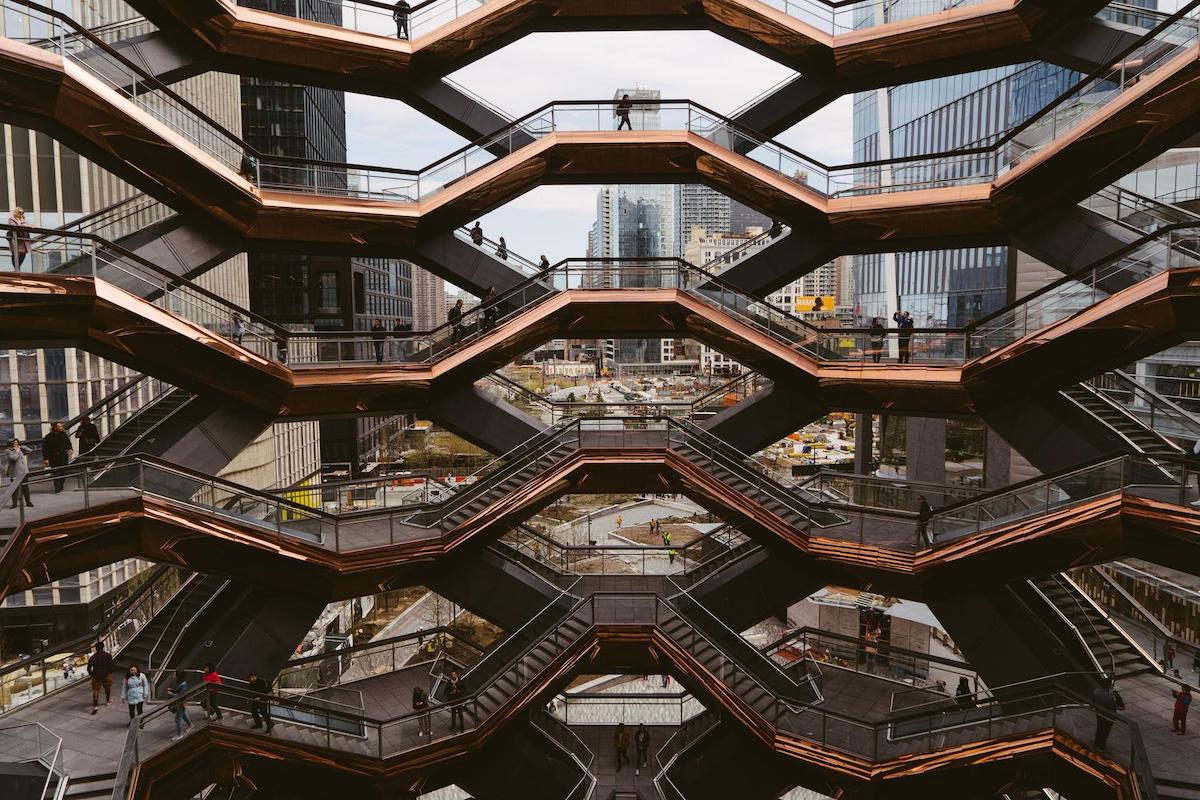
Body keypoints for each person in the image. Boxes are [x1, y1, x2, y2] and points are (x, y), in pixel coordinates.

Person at [43, 421, 73, 493]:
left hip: (63, 457)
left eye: (61, 426)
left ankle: (61, 485)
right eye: (59, 426)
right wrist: (46, 459)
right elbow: (45, 448)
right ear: (55, 428)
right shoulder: (48, 437)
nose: (61, 428)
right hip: (54, 457)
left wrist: (70, 448)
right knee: (56, 473)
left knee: (63, 472)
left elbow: (68, 443)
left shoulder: (64, 435)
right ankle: (57, 488)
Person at [4, 438, 32, 509]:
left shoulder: (20, 449)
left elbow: (30, 451)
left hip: (23, 471)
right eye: (14, 443)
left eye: (17, 442)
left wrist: (23, 447)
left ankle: (28, 502)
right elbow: (14, 458)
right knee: (14, 489)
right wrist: (17, 450)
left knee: (25, 487)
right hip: (15, 473)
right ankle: (14, 504)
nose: (16, 444)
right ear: (11, 443)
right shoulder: (8, 451)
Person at [1091, 682, 1120, 750]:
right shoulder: (1110, 697)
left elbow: (1093, 702)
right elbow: (1114, 707)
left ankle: (1097, 742)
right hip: (1108, 717)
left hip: (1099, 713)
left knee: (1099, 729)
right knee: (1105, 731)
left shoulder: (1096, 691)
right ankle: (1101, 746)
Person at [165, 669, 193, 740]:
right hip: (179, 703)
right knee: (183, 714)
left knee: (177, 719)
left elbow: (180, 695)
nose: (174, 674)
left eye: (175, 673)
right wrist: (172, 690)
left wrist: (171, 693)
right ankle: (190, 725)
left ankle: (179, 734)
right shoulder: (180, 682)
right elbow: (177, 691)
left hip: (181, 702)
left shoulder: (182, 684)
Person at [87, 641, 113, 714]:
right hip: (106, 675)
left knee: (95, 690)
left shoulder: (92, 657)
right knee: (107, 687)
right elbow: (111, 666)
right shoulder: (108, 655)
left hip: (96, 676)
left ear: (96, 648)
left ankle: (95, 706)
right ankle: (107, 701)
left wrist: (92, 674)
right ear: (103, 647)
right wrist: (109, 673)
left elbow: (88, 669)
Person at [7, 207, 31, 271]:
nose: (21, 213)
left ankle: (17, 268)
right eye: (20, 212)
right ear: (16, 212)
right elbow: (13, 226)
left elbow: (28, 226)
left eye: (22, 212)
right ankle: (17, 269)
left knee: (23, 254)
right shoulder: (11, 219)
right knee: (15, 254)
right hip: (16, 239)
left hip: (24, 239)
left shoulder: (24, 219)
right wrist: (22, 225)